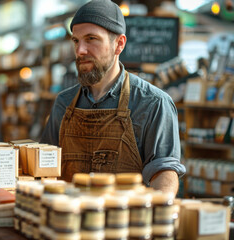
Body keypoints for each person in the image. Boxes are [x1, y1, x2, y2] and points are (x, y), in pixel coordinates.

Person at [40, 0, 185, 193]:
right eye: (76, 40)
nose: (80, 51)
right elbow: (44, 168)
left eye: (91, 39)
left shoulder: (153, 104)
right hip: (69, 219)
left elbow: (164, 173)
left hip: (124, 220)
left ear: (119, 44)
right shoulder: (64, 104)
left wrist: (159, 214)